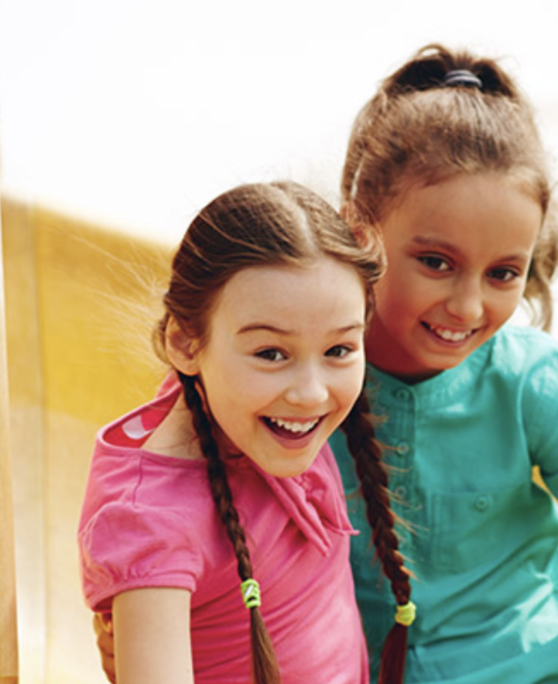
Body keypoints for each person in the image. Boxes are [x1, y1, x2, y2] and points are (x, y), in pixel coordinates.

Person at [95, 45, 558, 683]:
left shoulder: (531, 384)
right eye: (436, 261)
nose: (466, 304)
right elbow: (173, 515)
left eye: (503, 273)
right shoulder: (293, 392)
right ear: (360, 232)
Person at [78, 181, 413, 684]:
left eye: (339, 350)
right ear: (185, 342)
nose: (311, 392)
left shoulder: (251, 414)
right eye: (271, 354)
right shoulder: (153, 521)